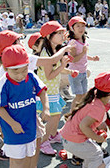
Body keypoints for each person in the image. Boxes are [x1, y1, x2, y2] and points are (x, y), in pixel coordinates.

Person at [0, 45, 50, 168]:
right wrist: (13, 123)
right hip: (13, 131)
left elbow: (42, 91)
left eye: (23, 70)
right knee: (17, 162)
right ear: (5, 68)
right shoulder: (2, 84)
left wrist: (46, 108)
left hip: (30, 128)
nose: (20, 75)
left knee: (29, 159)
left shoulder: (31, 76)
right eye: (15, 71)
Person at [60, 72, 110, 168]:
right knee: (97, 154)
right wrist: (97, 138)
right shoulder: (98, 108)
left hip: (68, 137)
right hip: (73, 140)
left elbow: (109, 123)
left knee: (93, 155)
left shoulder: (97, 100)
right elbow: (83, 125)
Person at [36, 21, 75, 155]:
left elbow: (56, 70)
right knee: (53, 119)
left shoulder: (53, 50)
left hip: (52, 91)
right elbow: (50, 75)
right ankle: (43, 142)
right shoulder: (46, 54)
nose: (62, 35)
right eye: (58, 33)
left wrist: (69, 71)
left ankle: (52, 135)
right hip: (46, 92)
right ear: (49, 36)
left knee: (56, 116)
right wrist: (63, 65)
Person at [67, 16, 99, 111]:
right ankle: (71, 115)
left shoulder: (83, 40)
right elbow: (73, 60)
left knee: (84, 94)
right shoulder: (72, 43)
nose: (81, 28)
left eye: (82, 26)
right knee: (78, 96)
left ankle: (80, 112)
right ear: (72, 28)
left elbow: (84, 56)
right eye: (78, 26)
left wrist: (92, 58)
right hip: (75, 73)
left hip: (83, 72)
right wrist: (83, 52)